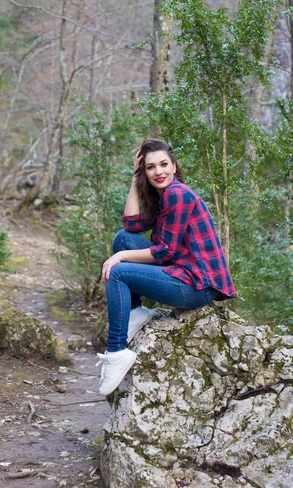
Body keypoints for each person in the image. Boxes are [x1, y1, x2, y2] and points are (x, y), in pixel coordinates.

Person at [96, 138, 237, 397]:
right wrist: (134, 178)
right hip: (182, 272)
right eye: (150, 168)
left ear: (174, 166)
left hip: (196, 286)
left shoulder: (178, 194)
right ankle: (135, 313)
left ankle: (116, 352)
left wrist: (120, 258)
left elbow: (164, 251)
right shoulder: (163, 196)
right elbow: (130, 225)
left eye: (163, 164)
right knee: (122, 239)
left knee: (117, 271)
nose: (158, 172)